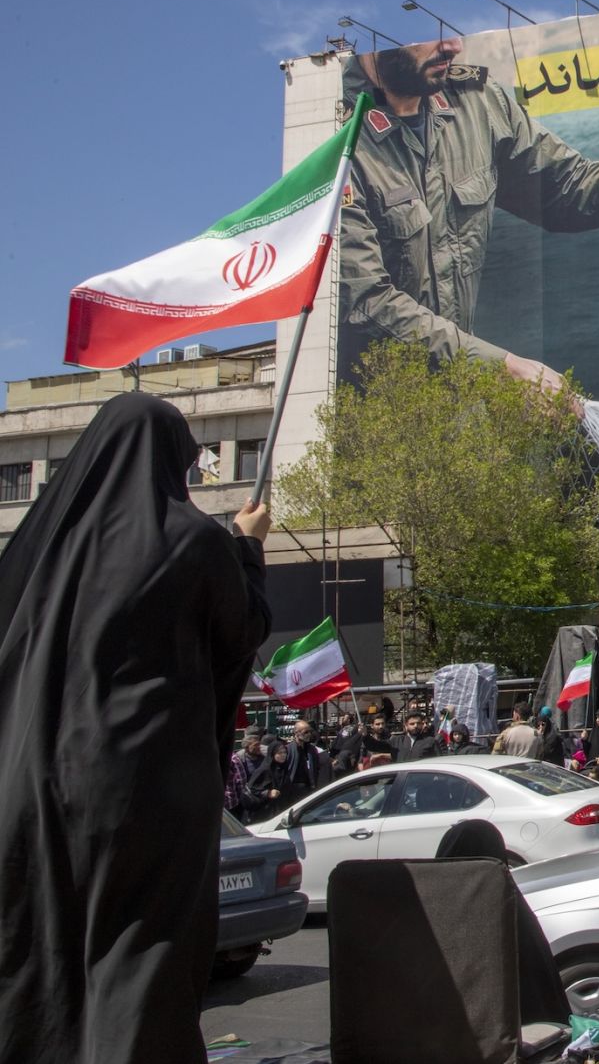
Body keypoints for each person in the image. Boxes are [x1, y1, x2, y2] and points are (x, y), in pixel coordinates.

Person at [0, 392, 273, 1063]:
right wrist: (247, 548)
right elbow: (240, 629)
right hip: (145, 790)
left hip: (37, 782)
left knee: (48, 950)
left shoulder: (50, 545)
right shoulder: (190, 537)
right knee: (140, 956)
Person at [336, 35, 599, 388]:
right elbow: (366, 303)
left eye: (452, 30)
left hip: (464, 396)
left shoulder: (478, 103)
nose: (454, 47)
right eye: (430, 35)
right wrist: (502, 367)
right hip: (376, 419)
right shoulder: (330, 132)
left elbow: (565, 191)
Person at [285, 719, 332, 804]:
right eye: (305, 732)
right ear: (296, 733)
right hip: (294, 790)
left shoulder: (312, 749)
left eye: (310, 732)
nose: (309, 734)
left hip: (309, 789)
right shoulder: (289, 750)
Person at [330, 712, 364, 777]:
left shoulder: (351, 728)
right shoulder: (342, 728)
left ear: (348, 720)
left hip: (345, 756)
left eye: (344, 718)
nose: (342, 719)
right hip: (338, 755)